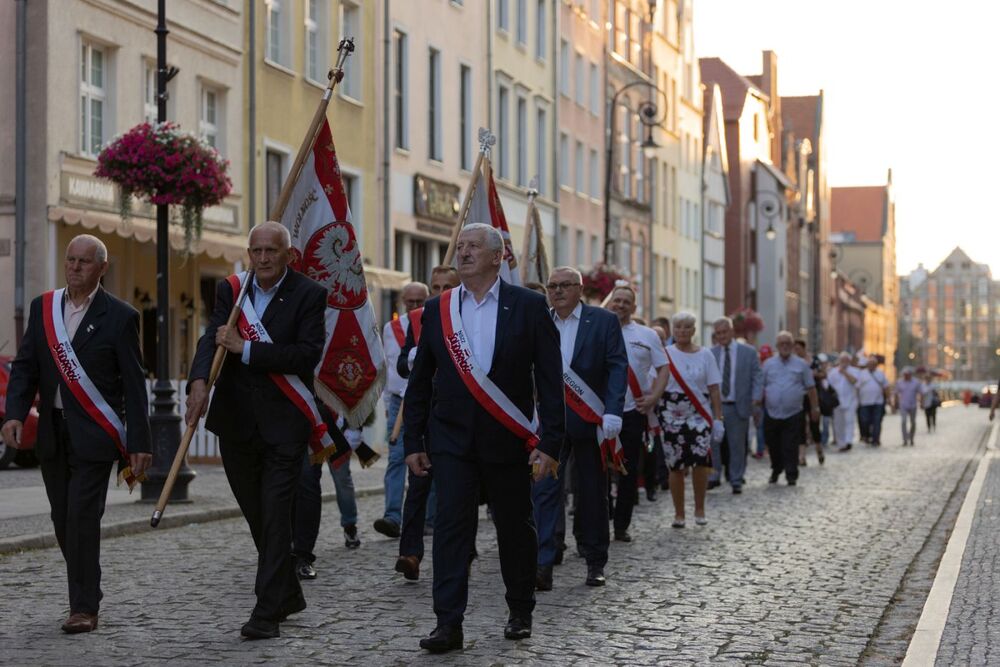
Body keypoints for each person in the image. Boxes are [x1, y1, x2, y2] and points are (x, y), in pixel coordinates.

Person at [403, 224, 564, 652]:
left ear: (498, 257)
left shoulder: (529, 306)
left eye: (474, 246)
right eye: (460, 246)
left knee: (514, 528)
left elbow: (549, 380)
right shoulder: (438, 309)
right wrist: (414, 442)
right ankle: (448, 624)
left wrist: (550, 444)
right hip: (451, 442)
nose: (464, 252)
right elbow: (420, 382)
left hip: (508, 441)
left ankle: (519, 609)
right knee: (452, 530)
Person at [1, 234, 152, 634]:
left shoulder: (120, 317)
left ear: (102, 268)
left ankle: (83, 606)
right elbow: (26, 365)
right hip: (52, 433)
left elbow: (134, 386)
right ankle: (87, 588)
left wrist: (140, 443)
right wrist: (14, 414)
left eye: (85, 261)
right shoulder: (44, 308)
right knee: (62, 519)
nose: (75, 267)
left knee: (83, 518)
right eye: (70, 259)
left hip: (94, 438)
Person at [186, 221, 328, 640]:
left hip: (284, 424)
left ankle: (266, 613)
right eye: (256, 251)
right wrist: (198, 381)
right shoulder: (232, 290)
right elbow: (212, 337)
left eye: (271, 251)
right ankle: (287, 593)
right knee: (257, 515)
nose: (263, 259)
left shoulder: (309, 294)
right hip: (235, 421)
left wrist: (245, 348)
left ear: (288, 253)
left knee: (275, 515)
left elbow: (305, 355)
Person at [534, 267, 627, 590]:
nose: (557, 291)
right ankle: (543, 562)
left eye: (565, 285)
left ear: (580, 289)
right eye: (552, 285)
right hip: (548, 422)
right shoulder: (539, 320)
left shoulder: (603, 321)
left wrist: (613, 410)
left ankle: (594, 560)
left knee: (591, 493)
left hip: (589, 419)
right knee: (544, 491)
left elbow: (617, 366)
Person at [394, 266, 459, 581]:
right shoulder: (421, 319)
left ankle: (462, 552)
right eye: (437, 286)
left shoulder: (468, 317)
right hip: (427, 416)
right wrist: (414, 358)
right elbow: (403, 365)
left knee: (457, 492)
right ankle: (410, 553)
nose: (441, 291)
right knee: (417, 486)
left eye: (449, 285)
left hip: (460, 420)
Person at [605, 286, 667, 541]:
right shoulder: (597, 327)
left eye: (626, 301)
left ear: (634, 307)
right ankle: (596, 523)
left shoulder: (647, 334)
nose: (620, 304)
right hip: (597, 411)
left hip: (632, 411)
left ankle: (621, 525)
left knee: (628, 471)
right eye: (616, 300)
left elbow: (664, 367)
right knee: (595, 471)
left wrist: (653, 397)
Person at [375, 282, 429, 539]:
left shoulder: (432, 321)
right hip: (399, 402)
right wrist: (387, 405)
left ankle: (429, 518)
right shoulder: (390, 329)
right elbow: (388, 367)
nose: (416, 306)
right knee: (397, 458)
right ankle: (392, 516)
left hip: (426, 400)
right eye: (411, 302)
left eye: (421, 301)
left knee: (427, 458)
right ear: (402, 303)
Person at [658, 312, 723, 526]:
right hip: (670, 413)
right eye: (678, 327)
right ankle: (679, 513)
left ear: (694, 331)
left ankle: (700, 509)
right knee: (675, 465)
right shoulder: (664, 353)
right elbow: (654, 383)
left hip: (698, 413)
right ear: (673, 331)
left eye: (687, 327)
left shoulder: (705, 355)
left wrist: (718, 418)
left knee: (700, 463)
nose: (682, 331)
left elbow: (714, 389)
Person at [292, 406, 363, 581]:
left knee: (339, 481)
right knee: (302, 484)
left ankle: (349, 526)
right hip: (305, 424)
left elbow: (352, 390)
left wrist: (355, 428)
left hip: (336, 428)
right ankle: (294, 547)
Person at [709, 317, 763, 494]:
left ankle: (736, 478)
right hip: (715, 405)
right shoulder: (710, 353)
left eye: (725, 332)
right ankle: (714, 475)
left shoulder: (748, 352)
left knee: (737, 444)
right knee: (714, 443)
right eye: (718, 333)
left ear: (732, 332)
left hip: (737, 404)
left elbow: (757, 376)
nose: (722, 336)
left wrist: (756, 397)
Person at [760, 332, 820, 486]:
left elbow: (811, 388)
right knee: (772, 444)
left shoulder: (801, 365)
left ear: (793, 346)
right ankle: (776, 468)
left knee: (790, 444)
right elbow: (761, 386)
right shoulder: (768, 364)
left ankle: (791, 473)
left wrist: (814, 407)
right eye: (782, 343)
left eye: (788, 343)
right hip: (772, 412)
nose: (785, 346)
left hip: (793, 412)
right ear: (777, 346)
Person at [794, 339, 826, 466]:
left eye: (798, 348)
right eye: (794, 349)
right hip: (800, 397)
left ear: (804, 348)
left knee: (814, 425)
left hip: (813, 396)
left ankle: (819, 450)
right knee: (800, 425)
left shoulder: (814, 360)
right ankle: (801, 456)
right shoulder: (794, 363)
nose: (796, 351)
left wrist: (815, 374)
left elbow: (824, 373)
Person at [826, 353, 859, 452]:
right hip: (837, 402)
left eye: (846, 360)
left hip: (850, 400)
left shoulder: (854, 371)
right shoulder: (832, 372)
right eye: (842, 360)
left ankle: (848, 441)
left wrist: (844, 372)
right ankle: (841, 443)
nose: (844, 362)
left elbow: (854, 381)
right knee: (838, 423)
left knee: (849, 421)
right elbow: (828, 386)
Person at [856, 356, 889, 446]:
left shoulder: (880, 373)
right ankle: (867, 435)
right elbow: (857, 387)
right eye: (870, 364)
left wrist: (888, 399)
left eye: (873, 364)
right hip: (864, 402)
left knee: (877, 421)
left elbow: (886, 387)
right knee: (864, 421)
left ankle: (876, 439)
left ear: (876, 365)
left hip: (878, 402)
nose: (871, 365)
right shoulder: (862, 374)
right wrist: (857, 399)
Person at [752, 344, 775, 459]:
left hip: (761, 400)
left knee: (760, 427)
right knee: (766, 426)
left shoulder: (761, 365)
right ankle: (766, 449)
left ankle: (761, 450)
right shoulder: (772, 365)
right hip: (765, 400)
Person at [894, 368, 923, 446]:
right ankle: (905, 439)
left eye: (907, 375)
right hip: (903, 405)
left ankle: (911, 437)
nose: (906, 376)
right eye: (904, 375)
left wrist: (921, 402)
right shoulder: (899, 382)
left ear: (910, 375)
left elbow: (920, 392)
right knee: (903, 421)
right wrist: (895, 403)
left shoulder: (916, 382)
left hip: (913, 405)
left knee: (913, 422)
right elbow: (896, 393)